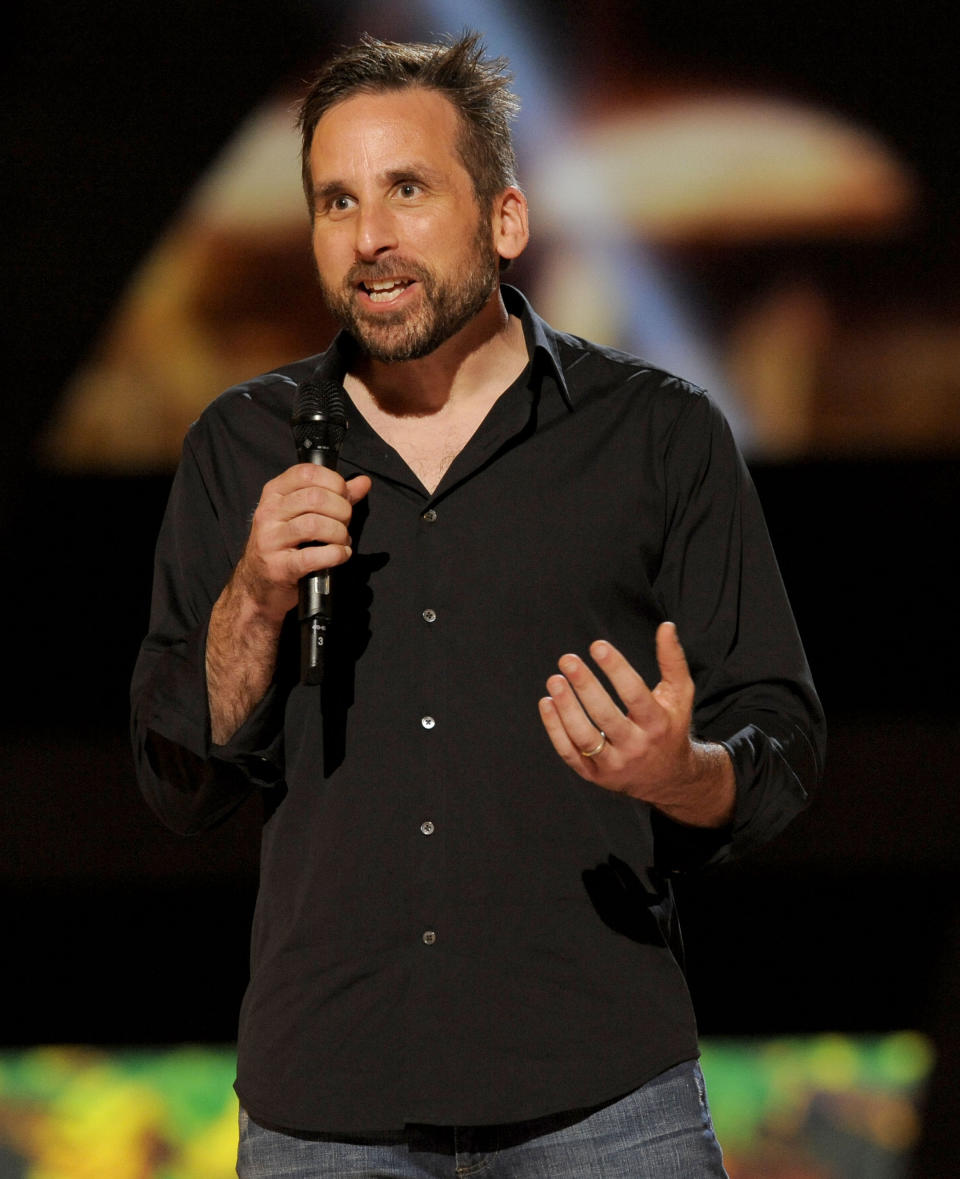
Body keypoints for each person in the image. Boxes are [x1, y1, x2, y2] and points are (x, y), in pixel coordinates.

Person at [131, 31, 825, 1178]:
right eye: (336, 201)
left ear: (505, 219)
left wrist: (680, 771)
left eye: (407, 190)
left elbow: (785, 741)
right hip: (327, 1111)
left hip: (604, 1101)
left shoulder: (656, 435)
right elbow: (177, 780)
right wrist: (252, 598)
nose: (369, 239)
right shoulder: (240, 448)